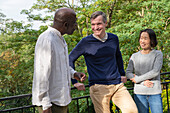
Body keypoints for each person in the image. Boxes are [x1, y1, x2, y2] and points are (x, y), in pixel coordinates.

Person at [69, 11, 138, 113]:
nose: (96, 27)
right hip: (98, 87)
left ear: (105, 23)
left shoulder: (113, 38)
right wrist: (74, 81)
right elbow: (70, 59)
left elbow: (118, 56)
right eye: (93, 24)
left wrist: (122, 74)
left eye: (99, 24)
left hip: (117, 85)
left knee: (132, 111)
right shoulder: (85, 42)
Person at [32, 8, 86, 113]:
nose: (76, 27)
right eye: (74, 23)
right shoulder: (47, 39)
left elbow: (62, 65)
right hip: (51, 103)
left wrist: (74, 74)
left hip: (61, 100)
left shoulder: (60, 39)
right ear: (65, 24)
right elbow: (41, 75)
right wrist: (45, 105)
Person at [126, 29, 163, 113]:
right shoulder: (134, 56)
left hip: (154, 91)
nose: (142, 41)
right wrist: (143, 82)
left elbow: (155, 71)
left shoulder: (158, 54)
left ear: (151, 40)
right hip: (139, 93)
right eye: (141, 38)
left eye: (145, 38)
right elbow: (128, 73)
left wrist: (138, 79)